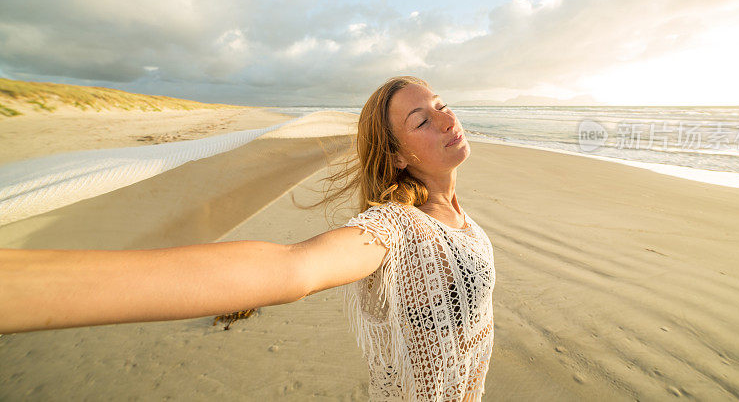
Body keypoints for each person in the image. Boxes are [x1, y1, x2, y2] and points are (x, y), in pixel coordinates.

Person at [0, 75, 496, 401]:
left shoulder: (461, 219)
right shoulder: (400, 226)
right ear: (397, 157)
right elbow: (292, 268)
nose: (447, 119)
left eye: (441, 105)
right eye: (422, 120)